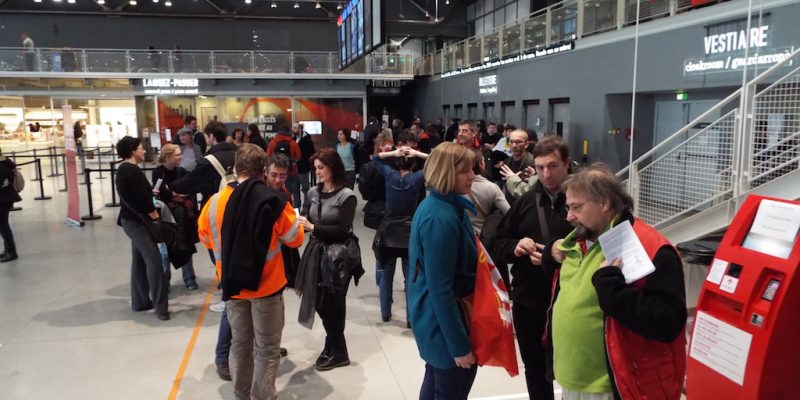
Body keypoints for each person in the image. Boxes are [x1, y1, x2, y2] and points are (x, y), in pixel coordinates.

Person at [542, 164, 687, 400]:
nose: (568, 216)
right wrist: (551, 252)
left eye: (576, 207)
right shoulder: (579, 239)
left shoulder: (650, 247)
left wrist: (610, 286)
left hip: (616, 386)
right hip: (572, 381)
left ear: (605, 203)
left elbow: (667, 322)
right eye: (568, 208)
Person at [198, 144, 304, 400]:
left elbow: (205, 237)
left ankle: (240, 394)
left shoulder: (214, 202)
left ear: (235, 168)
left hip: (232, 287)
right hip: (266, 288)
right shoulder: (274, 200)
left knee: (240, 345)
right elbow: (294, 239)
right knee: (267, 350)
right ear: (263, 171)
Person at [493, 136, 573, 400]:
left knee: (573, 370)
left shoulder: (581, 204)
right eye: (540, 168)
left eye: (553, 166)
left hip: (569, 301)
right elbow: (499, 243)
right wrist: (515, 247)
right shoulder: (526, 202)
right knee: (535, 369)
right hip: (529, 302)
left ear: (567, 165)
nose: (546, 174)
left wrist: (557, 258)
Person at [408, 142, 478, 400]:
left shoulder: (443, 207)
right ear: (445, 173)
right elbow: (441, 290)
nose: (472, 176)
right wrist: (459, 346)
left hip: (436, 321)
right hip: (446, 325)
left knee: (436, 383)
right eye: (465, 171)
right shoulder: (440, 218)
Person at [295, 148, 364, 371]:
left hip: (338, 260)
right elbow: (305, 220)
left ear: (333, 167)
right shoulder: (313, 193)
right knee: (319, 302)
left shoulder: (347, 196)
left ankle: (338, 351)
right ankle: (334, 346)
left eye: (321, 168)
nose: (318, 172)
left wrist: (313, 227)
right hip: (315, 255)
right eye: (316, 168)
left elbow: (343, 230)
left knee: (334, 304)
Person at [115, 136, 170, 321]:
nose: (144, 151)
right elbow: (143, 201)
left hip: (131, 220)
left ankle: (140, 302)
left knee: (139, 261)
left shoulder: (125, 170)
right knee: (154, 262)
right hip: (138, 222)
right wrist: (156, 218)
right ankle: (161, 307)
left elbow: (137, 194)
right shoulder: (131, 171)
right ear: (133, 151)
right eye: (141, 148)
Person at [371, 143, 427, 323]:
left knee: (386, 275)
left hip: (388, 230)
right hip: (410, 230)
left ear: (397, 163)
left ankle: (385, 314)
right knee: (410, 277)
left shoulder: (390, 175)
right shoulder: (418, 178)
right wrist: (416, 152)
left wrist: (394, 151)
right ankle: (411, 318)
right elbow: (437, 161)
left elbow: (375, 159)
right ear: (413, 164)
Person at [151, 144, 198, 290]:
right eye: (177, 155)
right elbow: (160, 194)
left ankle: (189, 278)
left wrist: (172, 194)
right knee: (165, 251)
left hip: (181, 216)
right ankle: (165, 282)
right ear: (168, 157)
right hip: (166, 217)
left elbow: (188, 190)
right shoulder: (158, 172)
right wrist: (171, 194)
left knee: (185, 246)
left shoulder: (182, 171)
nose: (180, 157)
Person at [172, 122, 236, 208]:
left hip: (216, 206)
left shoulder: (208, 161)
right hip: (238, 204)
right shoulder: (240, 154)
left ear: (212, 137)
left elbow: (191, 182)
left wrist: (172, 186)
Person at [267, 126, 301, 206]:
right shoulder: (292, 142)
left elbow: (268, 155)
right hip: (290, 170)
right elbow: (298, 156)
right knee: (293, 190)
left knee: (277, 188)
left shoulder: (273, 142)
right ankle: (294, 207)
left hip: (275, 170)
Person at [502, 129, 536, 204]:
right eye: (511, 142)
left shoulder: (532, 163)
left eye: (518, 142)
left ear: (526, 144)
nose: (514, 145)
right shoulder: (507, 162)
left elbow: (531, 191)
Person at [0, 148, 21, 262]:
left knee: (3, 225)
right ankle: (8, 249)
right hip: (6, 196)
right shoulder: (5, 161)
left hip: (3, 198)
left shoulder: (2, 165)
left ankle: (11, 252)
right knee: (3, 225)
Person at [295, 123, 315, 207]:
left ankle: (306, 206)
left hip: (304, 168)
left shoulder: (307, 140)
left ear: (300, 129)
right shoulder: (292, 139)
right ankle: (296, 206)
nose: (293, 129)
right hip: (294, 168)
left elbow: (311, 153)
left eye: (295, 128)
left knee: (305, 188)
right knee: (295, 189)